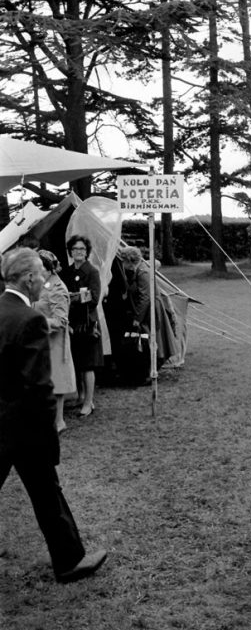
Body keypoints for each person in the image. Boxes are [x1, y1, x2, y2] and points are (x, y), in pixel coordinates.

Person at [0, 247, 106, 582]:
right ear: (30, 278)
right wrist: (49, 433)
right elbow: (38, 387)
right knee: (48, 493)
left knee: (47, 493)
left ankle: (69, 559)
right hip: (23, 427)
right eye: (41, 276)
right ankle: (69, 561)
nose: (44, 280)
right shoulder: (30, 319)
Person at [33, 250, 76, 434]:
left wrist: (36, 322)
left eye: (40, 267)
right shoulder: (39, 286)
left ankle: (59, 421)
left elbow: (61, 321)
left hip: (55, 342)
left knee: (57, 383)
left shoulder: (58, 289)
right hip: (40, 341)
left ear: (49, 268)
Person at [62, 235, 103, 417]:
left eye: (82, 249)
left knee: (87, 364)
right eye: (75, 249)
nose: (78, 252)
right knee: (76, 361)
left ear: (87, 252)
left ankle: (89, 402)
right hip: (71, 322)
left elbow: (94, 298)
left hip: (87, 322)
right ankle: (79, 396)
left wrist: (76, 298)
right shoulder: (67, 272)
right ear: (70, 251)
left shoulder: (92, 271)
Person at [120, 246, 177, 372]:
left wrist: (137, 318)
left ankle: (153, 367)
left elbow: (145, 297)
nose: (123, 264)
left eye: (123, 261)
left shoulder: (143, 272)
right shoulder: (139, 270)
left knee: (153, 337)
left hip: (151, 309)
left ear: (129, 260)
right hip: (147, 308)